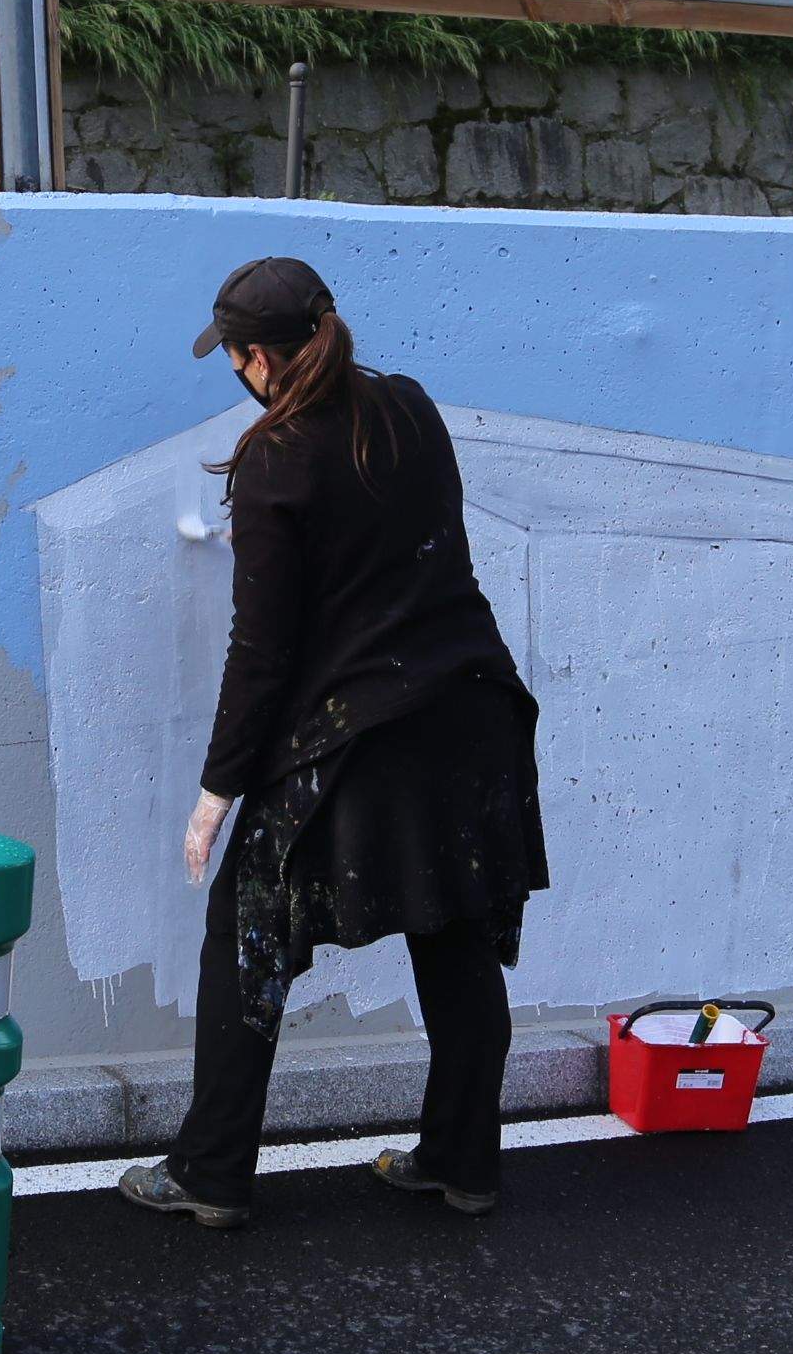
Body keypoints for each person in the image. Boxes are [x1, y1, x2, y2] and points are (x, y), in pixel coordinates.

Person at [118, 257, 549, 1231]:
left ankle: (211, 1173)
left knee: (245, 928)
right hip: (475, 708)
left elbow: (261, 650)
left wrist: (217, 791)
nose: (236, 371)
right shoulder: (409, 408)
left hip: (362, 731)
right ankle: (463, 1162)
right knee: (455, 927)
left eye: (234, 356)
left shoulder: (277, 459)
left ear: (261, 359)